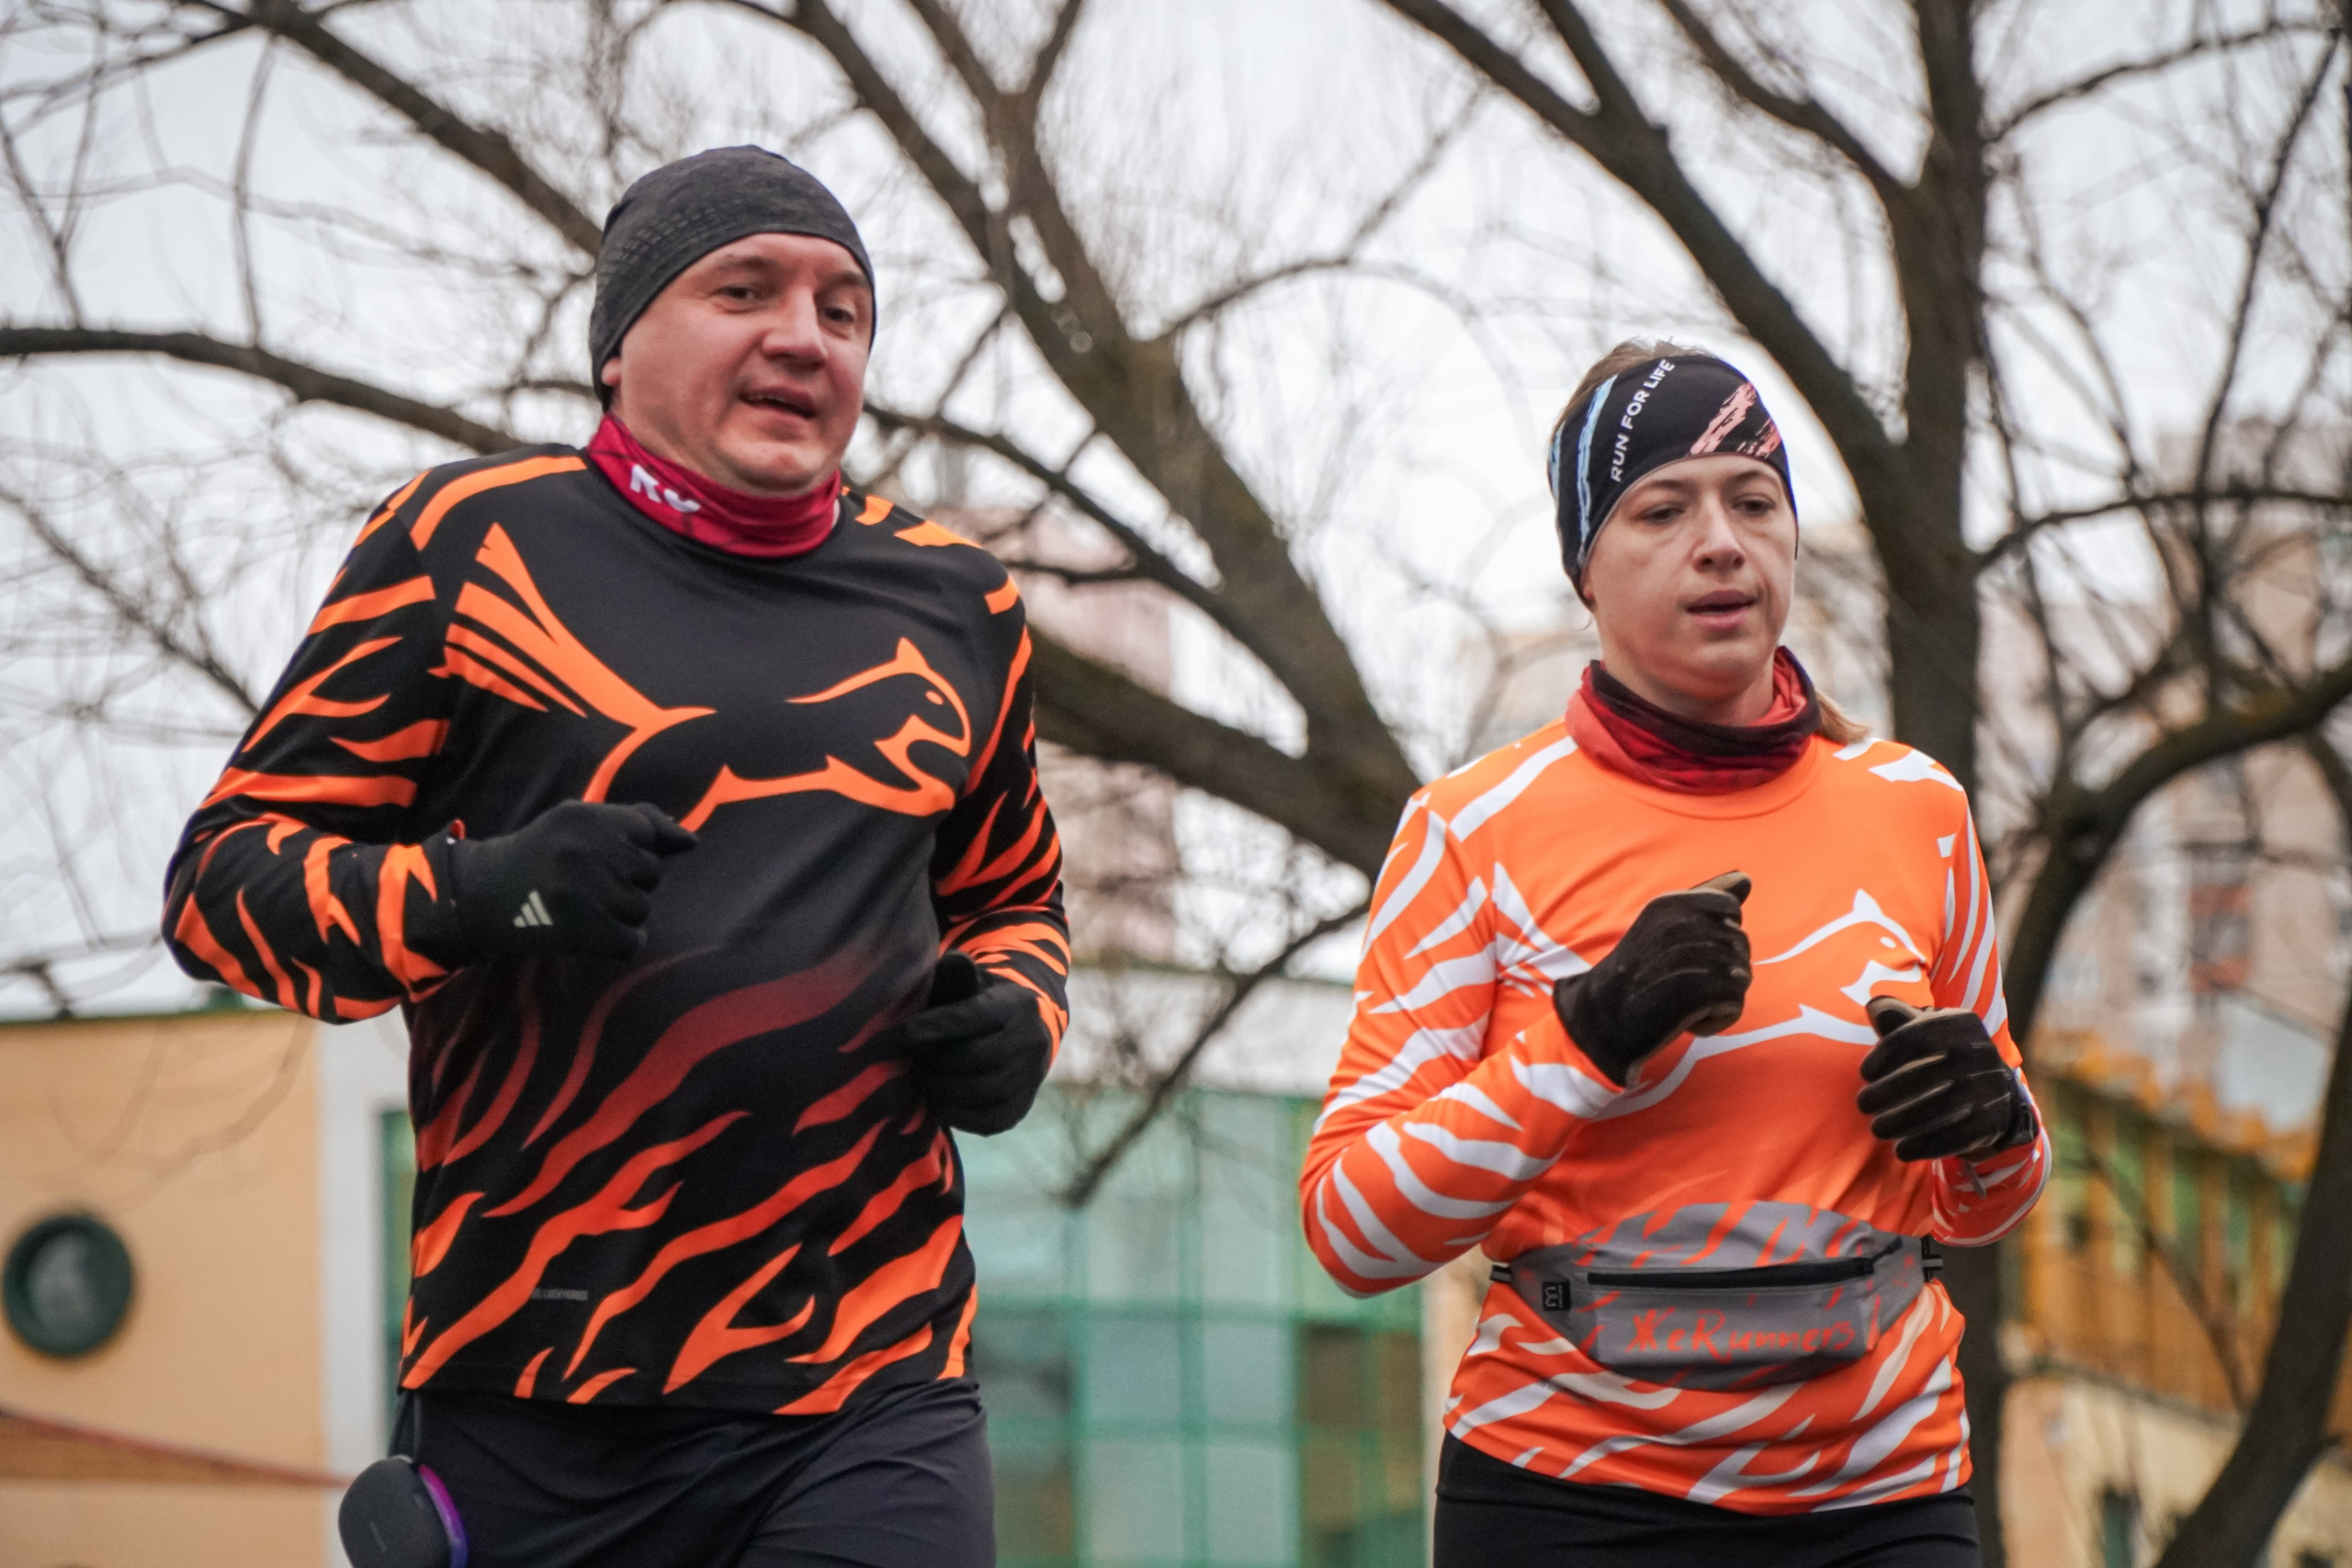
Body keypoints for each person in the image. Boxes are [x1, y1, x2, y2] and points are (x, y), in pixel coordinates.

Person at [161, 147, 1067, 1568]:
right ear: (620, 341)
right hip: (541, 1390)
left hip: (870, 1375)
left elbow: (1014, 894)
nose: (801, 334)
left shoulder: (960, 602)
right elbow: (222, 895)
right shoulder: (462, 547)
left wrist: (1019, 1017)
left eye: (844, 309)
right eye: (744, 289)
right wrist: (481, 892)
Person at [1301, 341, 2048, 1566]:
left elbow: (1984, 1206)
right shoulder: (1469, 831)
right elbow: (1353, 1230)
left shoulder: (1919, 807)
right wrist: (1583, 1039)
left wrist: (2000, 1128)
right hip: (1569, 1495)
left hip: (1885, 1495)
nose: (1721, 541)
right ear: (1583, 567)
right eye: (1663, 508)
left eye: (1754, 502)